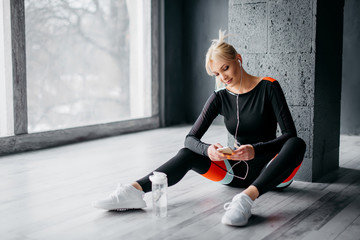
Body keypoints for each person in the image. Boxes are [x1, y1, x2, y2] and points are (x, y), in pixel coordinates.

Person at [93, 30, 306, 227]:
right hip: (237, 173)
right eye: (216, 74)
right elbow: (190, 138)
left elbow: (289, 134)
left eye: (226, 68)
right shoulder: (220, 97)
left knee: (297, 144)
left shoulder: (268, 87)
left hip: (273, 171)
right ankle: (134, 191)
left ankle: (245, 199)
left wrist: (255, 150)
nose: (223, 77)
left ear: (238, 60)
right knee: (188, 153)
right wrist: (208, 151)